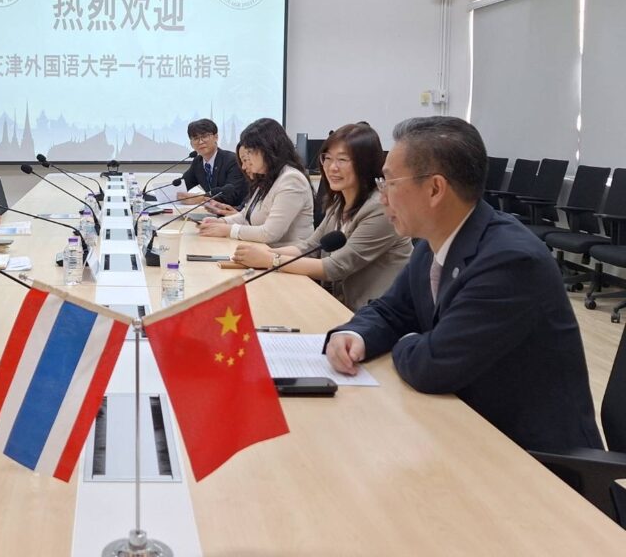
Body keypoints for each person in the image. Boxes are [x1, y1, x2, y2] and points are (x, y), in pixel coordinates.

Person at [324, 116, 601, 453]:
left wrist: (405, 339)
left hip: (534, 458)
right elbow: (391, 310)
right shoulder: (432, 241)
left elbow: (433, 366)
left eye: (389, 182)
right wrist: (354, 335)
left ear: (435, 189)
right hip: (465, 428)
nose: (382, 197)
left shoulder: (510, 262)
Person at [232, 123, 411, 310]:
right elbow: (310, 247)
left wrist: (271, 260)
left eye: (342, 159)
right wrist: (258, 256)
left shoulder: (379, 208)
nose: (332, 167)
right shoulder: (340, 203)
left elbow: (336, 267)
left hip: (375, 313)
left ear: (365, 164)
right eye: (327, 158)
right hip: (339, 304)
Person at [198, 118, 313, 247]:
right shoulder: (267, 178)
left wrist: (228, 230)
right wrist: (221, 222)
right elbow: (245, 216)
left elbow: (270, 233)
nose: (244, 165)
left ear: (267, 149)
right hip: (263, 252)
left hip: (287, 256)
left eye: (249, 153)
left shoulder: (291, 179)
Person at [176, 119, 247, 208]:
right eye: (196, 138)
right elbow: (182, 185)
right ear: (191, 143)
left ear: (216, 137)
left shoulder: (232, 160)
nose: (200, 142)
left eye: (204, 136)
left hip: (236, 211)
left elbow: (231, 193)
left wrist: (202, 198)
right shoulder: (198, 162)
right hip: (213, 211)